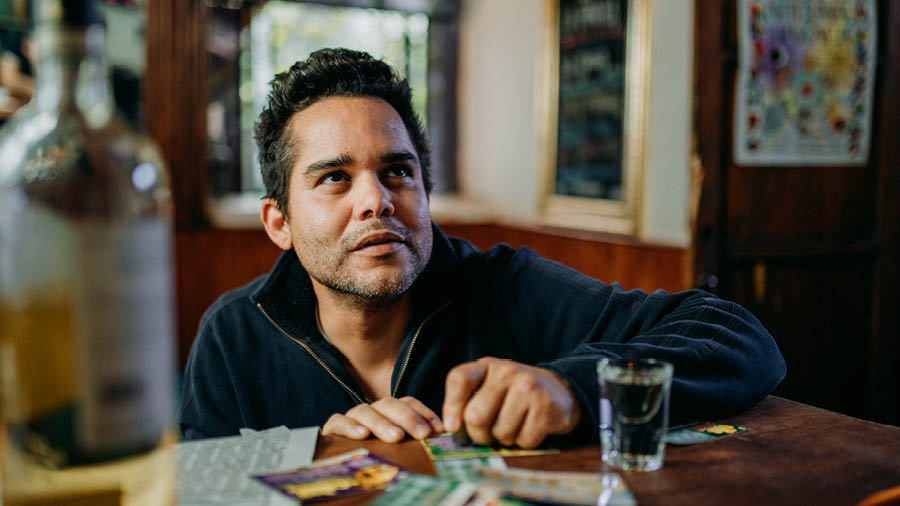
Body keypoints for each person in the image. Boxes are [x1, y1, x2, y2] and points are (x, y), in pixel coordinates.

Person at [177, 48, 786, 447]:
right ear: (277, 222)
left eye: (398, 172)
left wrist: (573, 388)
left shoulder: (505, 286)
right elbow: (197, 487)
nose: (377, 201)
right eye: (335, 177)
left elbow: (739, 338)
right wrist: (312, 453)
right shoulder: (234, 335)